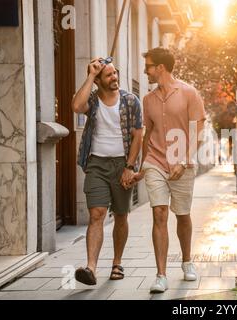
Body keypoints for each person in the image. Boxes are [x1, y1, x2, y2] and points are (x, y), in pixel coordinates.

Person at [132, 48, 206, 293]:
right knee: (159, 214)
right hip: (155, 162)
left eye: (149, 66)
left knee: (182, 215)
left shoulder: (188, 93)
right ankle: (161, 275)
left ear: (160, 67)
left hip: (181, 164)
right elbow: (146, 134)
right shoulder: (148, 99)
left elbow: (198, 131)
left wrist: (184, 160)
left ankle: (187, 261)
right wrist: (143, 164)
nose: (146, 70)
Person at [71, 57, 143, 285]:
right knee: (97, 214)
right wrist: (90, 75)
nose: (115, 78)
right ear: (99, 80)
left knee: (121, 215)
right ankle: (91, 267)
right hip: (96, 165)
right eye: (109, 75)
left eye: (115, 73)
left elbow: (138, 136)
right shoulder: (92, 100)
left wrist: (129, 168)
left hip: (122, 164)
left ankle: (117, 262)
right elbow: (75, 107)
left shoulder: (131, 101)